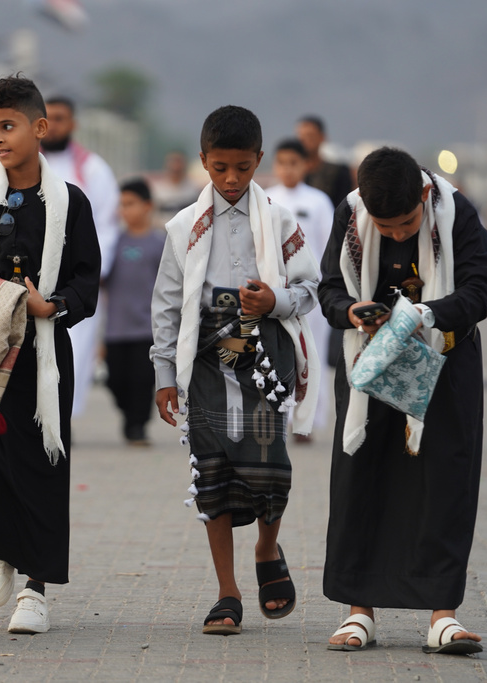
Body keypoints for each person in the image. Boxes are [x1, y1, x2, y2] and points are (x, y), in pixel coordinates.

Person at [0, 75, 100, 634]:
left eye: (7, 126)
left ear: (39, 128)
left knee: (44, 468)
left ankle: (36, 588)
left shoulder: (70, 203)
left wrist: (48, 305)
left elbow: (87, 282)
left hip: (45, 358)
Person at [151, 105, 321, 636]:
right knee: (213, 474)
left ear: (259, 161)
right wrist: (162, 374)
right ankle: (227, 593)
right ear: (203, 160)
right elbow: (167, 305)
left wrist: (273, 301)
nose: (230, 179)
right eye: (220, 167)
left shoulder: (280, 220)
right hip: (204, 358)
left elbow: (311, 289)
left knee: (270, 467)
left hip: (262, 356)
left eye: (243, 168)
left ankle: (267, 547)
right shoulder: (182, 228)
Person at [318, 147, 487, 654]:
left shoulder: (457, 213)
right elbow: (331, 287)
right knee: (360, 481)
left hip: (444, 363)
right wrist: (354, 311)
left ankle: (443, 615)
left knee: (444, 483)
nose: (396, 235)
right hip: (368, 366)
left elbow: (479, 291)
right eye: (385, 227)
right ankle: (358, 612)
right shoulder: (351, 214)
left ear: (423, 195)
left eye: (405, 225)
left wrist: (422, 315)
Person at [41, 95, 119, 419]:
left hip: (75, 279)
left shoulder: (93, 169)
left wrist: (93, 273)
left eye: (61, 118)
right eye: (49, 118)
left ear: (73, 124)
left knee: (75, 350)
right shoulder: (23, 165)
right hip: (32, 277)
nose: (54, 125)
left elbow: (107, 223)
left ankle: (64, 419)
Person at [266, 138, 335, 439]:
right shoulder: (265, 199)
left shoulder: (319, 201)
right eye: (282, 163)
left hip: (311, 291)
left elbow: (329, 245)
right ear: (274, 165)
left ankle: (307, 422)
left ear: (306, 165)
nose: (288, 170)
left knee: (311, 353)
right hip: (275, 291)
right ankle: (277, 418)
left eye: (294, 163)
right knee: (276, 352)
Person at [104, 178, 166, 445]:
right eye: (121, 204)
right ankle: (129, 416)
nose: (124, 210)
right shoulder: (112, 243)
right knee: (116, 380)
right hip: (116, 328)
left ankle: (138, 427)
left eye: (130, 204)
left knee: (142, 381)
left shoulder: (160, 243)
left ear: (148, 206)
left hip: (146, 329)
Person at [295, 115, 354, 210]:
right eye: (301, 137)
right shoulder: (292, 175)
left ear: (322, 137)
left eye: (310, 136)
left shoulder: (338, 172)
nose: (304, 141)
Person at [151, 150, 202, 228]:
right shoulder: (157, 190)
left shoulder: (194, 189)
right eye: (173, 161)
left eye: (179, 161)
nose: (176, 166)